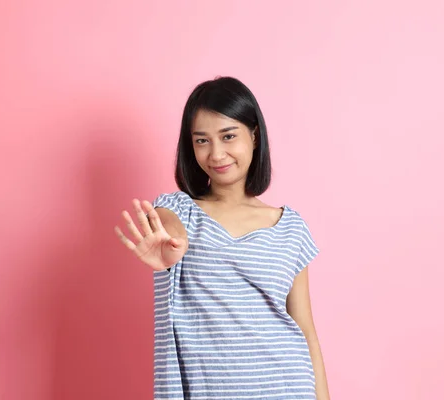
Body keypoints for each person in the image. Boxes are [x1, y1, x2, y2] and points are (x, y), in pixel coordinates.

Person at [115, 76, 331, 399]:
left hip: (288, 387)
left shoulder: (291, 228)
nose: (216, 154)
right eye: (202, 140)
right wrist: (171, 247)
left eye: (228, 136)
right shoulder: (179, 210)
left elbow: (307, 332)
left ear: (254, 137)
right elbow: (166, 226)